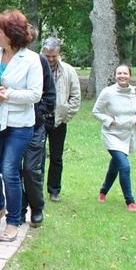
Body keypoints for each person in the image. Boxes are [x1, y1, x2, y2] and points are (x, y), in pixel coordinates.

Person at [0, 10, 43, 242]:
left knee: (9, 170)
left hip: (18, 126)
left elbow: (35, 94)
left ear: (11, 35)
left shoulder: (32, 60)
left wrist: (7, 95)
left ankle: (14, 220)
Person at [92, 64, 136, 212]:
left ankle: (103, 191)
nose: (122, 76)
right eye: (119, 73)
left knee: (116, 164)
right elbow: (96, 111)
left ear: (130, 75)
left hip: (127, 134)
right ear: (115, 76)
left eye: (125, 73)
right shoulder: (108, 92)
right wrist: (110, 121)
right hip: (112, 134)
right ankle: (130, 201)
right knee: (124, 166)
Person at [41, 37, 82, 202]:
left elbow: (75, 96)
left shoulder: (68, 70)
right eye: (48, 56)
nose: (50, 59)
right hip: (39, 120)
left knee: (56, 157)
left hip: (59, 121)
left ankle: (54, 190)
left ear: (59, 54)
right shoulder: (36, 67)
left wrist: (66, 115)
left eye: (54, 56)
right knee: (37, 157)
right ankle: (36, 190)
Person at [19, 49, 55, 227]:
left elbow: (49, 94)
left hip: (35, 125)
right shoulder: (1, 58)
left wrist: (39, 112)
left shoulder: (39, 60)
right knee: (12, 171)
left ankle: (37, 207)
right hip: (10, 126)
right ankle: (18, 208)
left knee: (32, 170)